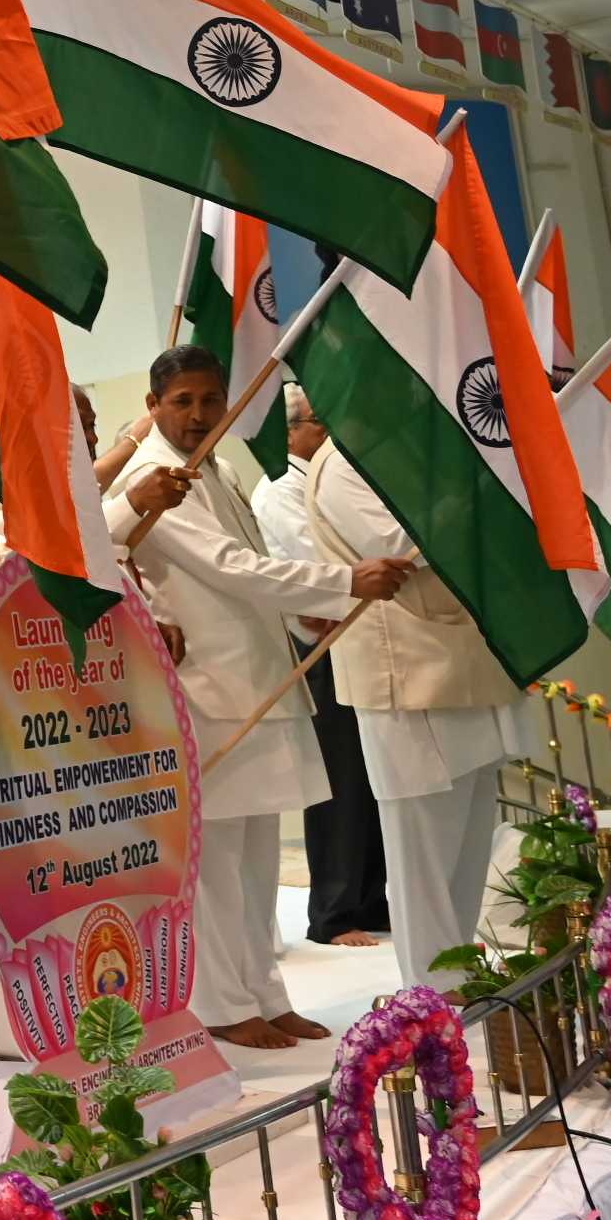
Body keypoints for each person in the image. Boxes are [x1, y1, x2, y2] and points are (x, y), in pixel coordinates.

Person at [104, 347, 408, 1051]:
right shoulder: (154, 476)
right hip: (203, 689)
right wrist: (343, 583)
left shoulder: (219, 468)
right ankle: (220, 1004)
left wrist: (307, 610)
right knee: (214, 865)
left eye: (210, 399)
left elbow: (254, 567)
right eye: (182, 401)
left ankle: (265, 995)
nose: (198, 414)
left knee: (257, 862)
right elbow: (230, 568)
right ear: (153, 406)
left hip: (257, 680)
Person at [305, 438, 520, 999]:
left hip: (463, 660)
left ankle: (460, 968)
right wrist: (476, 488)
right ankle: (431, 983)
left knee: (469, 837)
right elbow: (395, 543)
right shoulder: (340, 464)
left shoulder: (407, 449)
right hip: (402, 670)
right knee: (422, 844)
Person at [250, 387, 389, 954]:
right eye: (317, 420)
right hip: (322, 646)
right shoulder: (280, 488)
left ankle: (371, 898)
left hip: (360, 634)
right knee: (340, 782)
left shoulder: (327, 479)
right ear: (289, 432)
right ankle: (333, 911)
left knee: (370, 777)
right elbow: (321, 563)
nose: (328, 429)